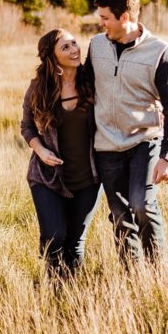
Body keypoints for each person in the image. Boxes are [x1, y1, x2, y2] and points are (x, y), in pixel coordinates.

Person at [85, 0, 168, 266]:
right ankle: (132, 274)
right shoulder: (96, 45)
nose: (100, 22)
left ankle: (156, 270)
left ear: (124, 16)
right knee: (119, 213)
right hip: (107, 144)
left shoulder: (160, 51)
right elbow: (85, 88)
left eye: (105, 17)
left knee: (141, 204)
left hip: (145, 140)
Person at [19, 28, 101, 278]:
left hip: (87, 178)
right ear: (51, 57)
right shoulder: (39, 88)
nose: (75, 50)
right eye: (65, 47)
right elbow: (27, 126)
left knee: (74, 244)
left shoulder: (93, 81)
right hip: (47, 177)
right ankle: (52, 287)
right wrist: (41, 150)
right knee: (55, 237)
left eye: (74, 43)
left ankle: (69, 299)